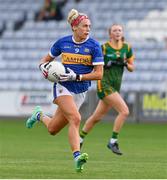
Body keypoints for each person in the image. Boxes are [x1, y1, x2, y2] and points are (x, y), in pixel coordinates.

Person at [26, 9, 104, 172]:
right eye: (84, 26)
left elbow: (99, 74)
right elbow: (44, 61)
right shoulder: (62, 43)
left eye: (89, 26)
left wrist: (77, 77)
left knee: (53, 129)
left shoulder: (94, 46)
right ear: (74, 27)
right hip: (62, 86)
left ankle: (39, 115)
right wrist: (44, 69)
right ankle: (77, 157)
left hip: (80, 90)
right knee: (75, 118)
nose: (88, 29)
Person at [80, 24, 135, 155]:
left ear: (122, 33)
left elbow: (132, 67)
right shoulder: (104, 48)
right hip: (104, 84)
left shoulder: (127, 47)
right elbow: (94, 65)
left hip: (116, 86)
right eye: (115, 30)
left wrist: (125, 63)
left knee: (96, 117)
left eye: (120, 30)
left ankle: (80, 138)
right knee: (124, 111)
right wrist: (106, 64)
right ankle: (113, 141)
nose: (117, 32)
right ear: (110, 34)